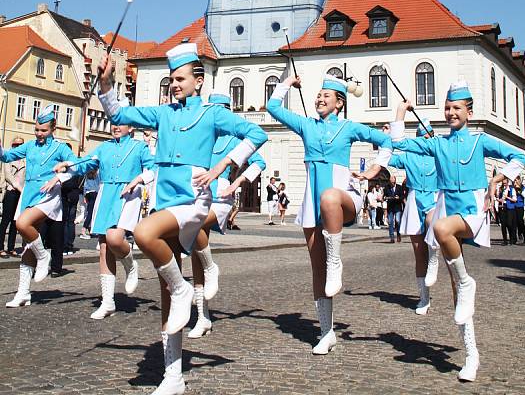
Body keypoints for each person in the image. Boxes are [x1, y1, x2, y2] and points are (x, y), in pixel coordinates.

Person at [97, 43, 267, 395]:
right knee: (166, 295)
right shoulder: (163, 113)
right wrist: (106, 84)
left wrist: (222, 164)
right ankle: (173, 376)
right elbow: (117, 115)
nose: (174, 85)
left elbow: (257, 134)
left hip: (193, 198)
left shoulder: (211, 114)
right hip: (165, 198)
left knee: (144, 234)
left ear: (198, 80)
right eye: (170, 80)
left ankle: (183, 286)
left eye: (179, 79)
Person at [391, 81, 525, 382]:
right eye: (448, 108)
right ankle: (471, 354)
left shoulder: (480, 141)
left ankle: (467, 282)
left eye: (457, 108)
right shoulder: (437, 143)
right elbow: (399, 143)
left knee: (440, 232)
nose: (451, 112)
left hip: (471, 211)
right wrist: (400, 111)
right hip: (448, 212)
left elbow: (522, 157)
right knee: (456, 292)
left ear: (469, 111)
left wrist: (498, 180)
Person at [267, 74, 392, 355]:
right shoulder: (307, 126)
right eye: (318, 95)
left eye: (327, 96)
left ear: (339, 103)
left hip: (342, 194)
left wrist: (374, 169)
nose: (320, 98)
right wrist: (287, 82)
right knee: (317, 268)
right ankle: (326, 332)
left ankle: (337, 259)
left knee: (330, 198)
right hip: (313, 199)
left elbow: (386, 141)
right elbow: (273, 108)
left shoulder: (348, 127)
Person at [51, 101, 155, 319]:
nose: (116, 126)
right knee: (104, 246)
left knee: (115, 239)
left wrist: (138, 180)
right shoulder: (104, 147)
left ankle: (130, 263)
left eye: (121, 122)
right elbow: (84, 164)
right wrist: (65, 169)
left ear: (131, 126)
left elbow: (152, 168)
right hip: (106, 194)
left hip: (128, 195)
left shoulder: (139, 147)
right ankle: (108, 301)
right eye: (113, 122)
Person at [188, 92, 266, 339]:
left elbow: (259, 162)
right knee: (194, 253)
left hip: (220, 198)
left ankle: (212, 267)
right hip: (197, 194)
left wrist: (237, 183)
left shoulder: (235, 139)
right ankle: (203, 316)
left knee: (195, 229)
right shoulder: (201, 137)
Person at [0, 104, 77, 306]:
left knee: (22, 224)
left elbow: (76, 166)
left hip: (48, 195)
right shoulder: (30, 146)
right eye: (37, 130)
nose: (39, 133)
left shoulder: (60, 147)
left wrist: (59, 178)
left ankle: (43, 257)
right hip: (29, 194)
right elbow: (7, 156)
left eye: (43, 130)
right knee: (26, 245)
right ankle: (23, 292)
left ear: (53, 129)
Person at [362, 118, 439, 315]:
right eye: (422, 138)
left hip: (435, 199)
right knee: (418, 252)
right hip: (414, 201)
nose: (425, 142)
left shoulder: (440, 154)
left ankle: (437, 260)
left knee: (435, 241)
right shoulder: (408, 157)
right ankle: (424, 297)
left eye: (428, 137)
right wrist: (384, 137)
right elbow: (386, 158)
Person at [0, 136, 25, 258]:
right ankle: (0, 248)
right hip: (10, 191)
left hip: (21, 194)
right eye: (16, 145)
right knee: (5, 221)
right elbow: (8, 176)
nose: (18, 147)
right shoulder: (8, 158)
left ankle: (11, 248)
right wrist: (18, 187)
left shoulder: (25, 160)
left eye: (21, 144)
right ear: (12, 145)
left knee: (16, 222)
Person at [79, 169, 100, 239]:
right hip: (95, 193)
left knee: (89, 212)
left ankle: (90, 230)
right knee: (92, 213)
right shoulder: (97, 175)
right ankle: (84, 230)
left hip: (88, 193)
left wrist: (85, 196)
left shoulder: (87, 175)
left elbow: (85, 185)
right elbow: (99, 185)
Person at [384, 174, 404, 243]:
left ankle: (398, 234)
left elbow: (402, 197)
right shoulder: (387, 187)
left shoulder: (399, 187)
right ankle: (392, 237)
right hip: (390, 207)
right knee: (390, 222)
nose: (392, 184)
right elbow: (384, 196)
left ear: (395, 181)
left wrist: (399, 198)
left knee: (398, 221)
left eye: (393, 182)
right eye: (390, 182)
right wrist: (385, 198)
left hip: (397, 207)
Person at [514, 176, 525, 244]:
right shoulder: (513, 188)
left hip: (520, 206)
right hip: (514, 206)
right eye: (514, 180)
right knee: (515, 222)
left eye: (516, 180)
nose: (515, 182)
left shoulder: (523, 188)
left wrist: (519, 190)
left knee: (520, 221)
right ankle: (518, 236)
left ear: (519, 180)